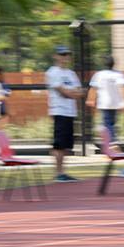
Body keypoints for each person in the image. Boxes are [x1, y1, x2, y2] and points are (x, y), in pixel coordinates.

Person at [45, 45, 83, 183]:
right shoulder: (52, 72)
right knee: (59, 144)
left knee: (66, 145)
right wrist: (72, 92)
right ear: (55, 56)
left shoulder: (71, 73)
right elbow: (63, 92)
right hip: (59, 111)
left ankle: (63, 172)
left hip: (70, 112)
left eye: (67, 55)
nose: (64, 57)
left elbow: (80, 92)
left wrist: (71, 93)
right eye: (62, 55)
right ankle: (58, 173)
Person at [89, 56, 124, 143]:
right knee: (112, 122)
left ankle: (110, 140)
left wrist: (90, 99)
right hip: (115, 103)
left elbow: (93, 88)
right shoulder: (119, 74)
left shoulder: (99, 75)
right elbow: (122, 88)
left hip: (104, 103)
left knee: (107, 122)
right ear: (113, 64)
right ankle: (112, 139)